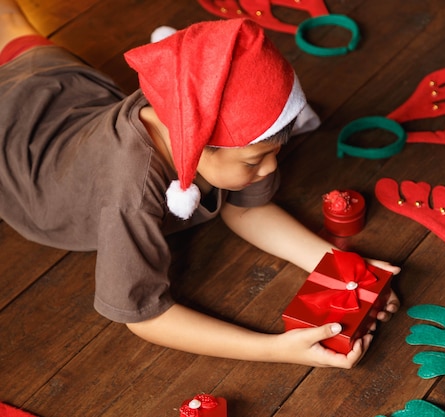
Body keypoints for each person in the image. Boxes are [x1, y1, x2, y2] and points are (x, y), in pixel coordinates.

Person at [0, 0, 401, 369]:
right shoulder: (131, 195)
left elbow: (245, 208)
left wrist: (341, 268)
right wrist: (272, 349)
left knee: (15, 28)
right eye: (254, 159)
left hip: (55, 83)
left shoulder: (179, 99)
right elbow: (147, 316)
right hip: (19, 158)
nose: (270, 168)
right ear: (195, 148)